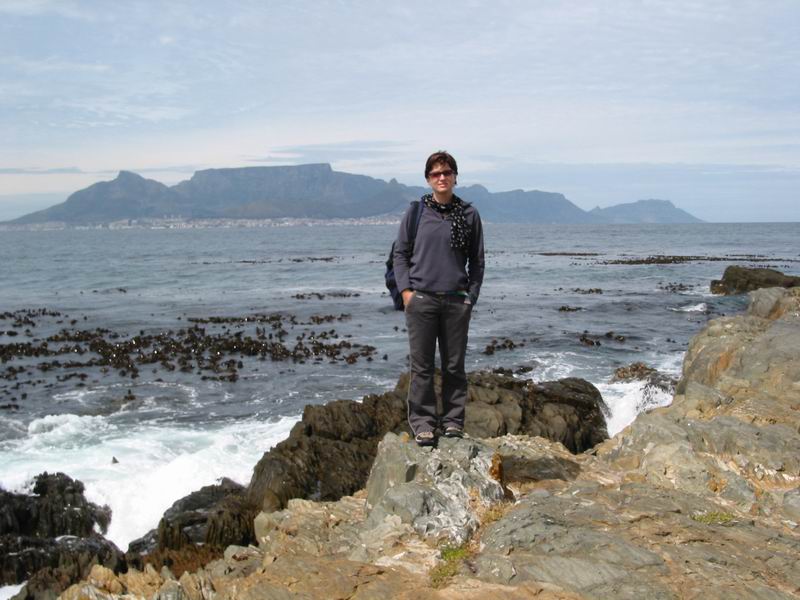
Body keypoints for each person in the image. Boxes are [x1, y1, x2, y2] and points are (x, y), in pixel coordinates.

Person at [393, 150, 485, 446]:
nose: (442, 178)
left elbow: (477, 261)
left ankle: (453, 422)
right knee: (421, 367)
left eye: (446, 172)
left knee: (454, 366)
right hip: (422, 301)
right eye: (436, 174)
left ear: (455, 177)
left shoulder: (470, 214)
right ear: (428, 179)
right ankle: (423, 423)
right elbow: (400, 254)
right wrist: (407, 292)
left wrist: (471, 297)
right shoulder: (416, 212)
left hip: (457, 302)